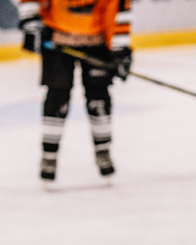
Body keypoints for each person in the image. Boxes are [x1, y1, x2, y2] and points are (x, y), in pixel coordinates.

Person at [18, 0, 133, 182]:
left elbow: (117, 8)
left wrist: (120, 49)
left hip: (97, 41)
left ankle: (103, 150)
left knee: (99, 97)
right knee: (57, 96)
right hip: (56, 38)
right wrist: (31, 20)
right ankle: (49, 155)